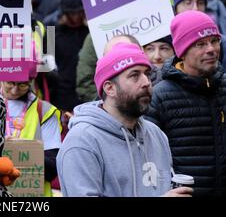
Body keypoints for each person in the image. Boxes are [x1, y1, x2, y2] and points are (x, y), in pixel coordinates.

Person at [57, 43, 193, 197]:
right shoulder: (82, 142)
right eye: (134, 75)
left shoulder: (156, 134)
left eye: (147, 74)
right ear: (110, 88)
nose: (146, 82)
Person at [147, 10, 226, 197]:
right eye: (200, 44)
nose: (211, 49)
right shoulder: (159, 97)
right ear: (182, 52)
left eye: (214, 41)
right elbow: (148, 163)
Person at [0, 70, 61, 197]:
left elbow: (52, 168)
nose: (15, 90)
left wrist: (19, 149)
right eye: (10, 83)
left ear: (32, 81)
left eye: (22, 85)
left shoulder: (45, 111)